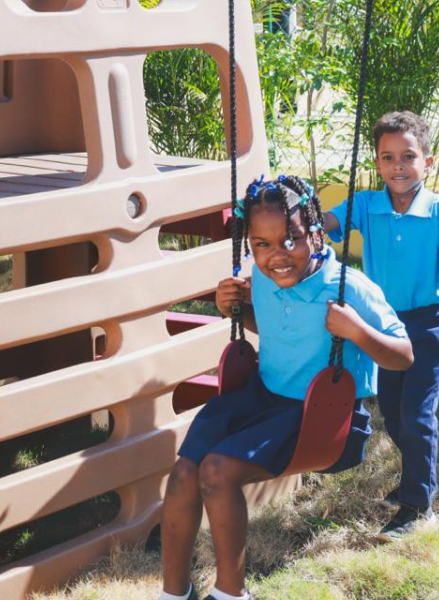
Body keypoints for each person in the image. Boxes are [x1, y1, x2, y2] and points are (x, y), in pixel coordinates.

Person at [157, 176, 414, 600]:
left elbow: (403, 355)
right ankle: (174, 593)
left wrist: (357, 331)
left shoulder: (350, 287)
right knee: (185, 472)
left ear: (316, 232)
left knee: (217, 473)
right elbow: (278, 329)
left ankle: (230, 594)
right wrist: (237, 310)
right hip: (262, 398)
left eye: (290, 239)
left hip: (319, 417)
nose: (277, 256)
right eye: (261, 244)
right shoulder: (263, 279)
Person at [325, 111, 439, 539]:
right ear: (376, 162)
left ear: (427, 162)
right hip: (384, 326)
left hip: (428, 325)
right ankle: (417, 476)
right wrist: (299, 217)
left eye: (408, 157)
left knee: (416, 413)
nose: (398, 166)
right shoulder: (367, 205)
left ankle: (416, 504)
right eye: (388, 157)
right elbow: (327, 224)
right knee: (392, 412)